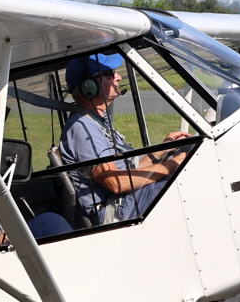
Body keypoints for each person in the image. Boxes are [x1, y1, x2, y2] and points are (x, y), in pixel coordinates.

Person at [58, 53, 190, 226]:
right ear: (88, 86)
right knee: (188, 173)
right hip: (115, 210)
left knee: (188, 152)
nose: (118, 78)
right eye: (109, 75)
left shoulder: (95, 121)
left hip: (123, 201)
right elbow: (116, 183)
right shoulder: (83, 128)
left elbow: (130, 171)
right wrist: (174, 164)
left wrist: (162, 150)